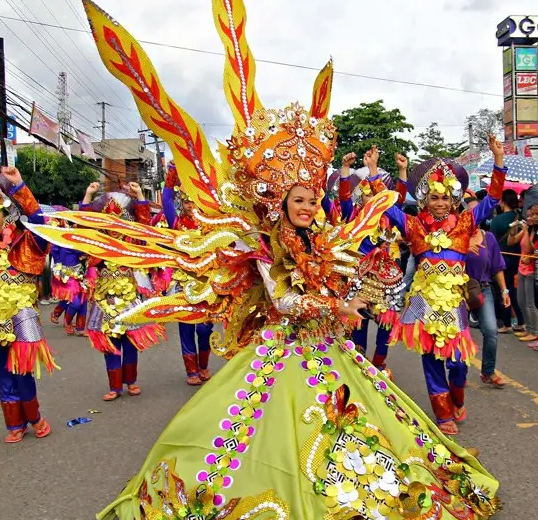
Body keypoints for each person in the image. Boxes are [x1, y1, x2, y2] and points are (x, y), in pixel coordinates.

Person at [35, 3, 500, 518]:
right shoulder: (261, 245)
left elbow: (340, 282)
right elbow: (282, 298)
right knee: (254, 443)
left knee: (371, 428)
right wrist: (335, 306)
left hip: (328, 348)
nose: (307, 207)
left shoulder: (320, 241)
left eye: (311, 200)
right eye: (298, 200)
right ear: (280, 204)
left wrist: (359, 290)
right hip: (284, 350)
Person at [385, 137, 507, 435]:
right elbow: (387, 206)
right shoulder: (413, 226)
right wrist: (396, 175)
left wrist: (498, 159)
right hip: (421, 301)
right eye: (433, 198)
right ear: (425, 200)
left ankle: (458, 396)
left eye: (445, 199)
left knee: (459, 362)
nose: (439, 204)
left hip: (454, 301)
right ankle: (442, 416)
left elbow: (491, 200)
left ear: (453, 201)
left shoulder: (466, 223)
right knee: (429, 357)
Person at [0, 166, 55, 443]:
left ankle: (34, 418)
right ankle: (14, 424)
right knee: (1, 371)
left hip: (22, 314)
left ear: (9, 213)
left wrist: (19, 186)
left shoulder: (29, 241)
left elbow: (37, 218)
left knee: (22, 370)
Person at [79, 181, 167, 401]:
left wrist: (139, 196)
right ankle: (114, 386)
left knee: (129, 340)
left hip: (128, 295)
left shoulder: (131, 241)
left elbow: (144, 224)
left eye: (118, 218)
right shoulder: (98, 242)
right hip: (104, 297)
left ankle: (131, 382)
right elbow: (83, 226)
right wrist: (88, 195)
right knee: (110, 341)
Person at [336, 150, 407, 372]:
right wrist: (345, 169)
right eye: (366, 194)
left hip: (385, 276)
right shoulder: (354, 216)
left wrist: (403, 170)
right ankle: (359, 365)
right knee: (359, 321)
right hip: (359, 274)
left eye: (375, 195)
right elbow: (344, 197)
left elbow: (399, 200)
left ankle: (379, 363)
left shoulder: (388, 218)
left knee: (386, 322)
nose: (371, 199)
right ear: (361, 197)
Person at [162, 163, 213, 386]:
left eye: (193, 200)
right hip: (183, 283)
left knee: (204, 328)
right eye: (185, 201)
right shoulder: (176, 223)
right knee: (186, 327)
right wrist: (172, 174)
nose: (189, 205)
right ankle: (191, 371)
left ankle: (203, 365)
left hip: (207, 283)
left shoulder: (211, 225)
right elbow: (165, 200)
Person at [464, 198, 508, 387]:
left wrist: (505, 290)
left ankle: (488, 372)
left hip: (484, 289)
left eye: (479, 211)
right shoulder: (456, 237)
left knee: (491, 331)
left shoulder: (488, 238)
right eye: (471, 211)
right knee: (459, 333)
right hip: (458, 290)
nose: (475, 215)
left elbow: (497, 267)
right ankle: (458, 374)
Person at [490, 189, 525, 334]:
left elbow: (491, 241)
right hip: (519, 259)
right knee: (514, 291)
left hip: (501, 259)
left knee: (503, 291)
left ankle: (506, 323)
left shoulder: (497, 220)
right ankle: (521, 321)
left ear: (502, 202)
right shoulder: (522, 217)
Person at [507, 205, 538, 344]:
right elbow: (511, 242)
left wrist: (530, 257)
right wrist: (514, 228)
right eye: (529, 215)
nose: (530, 217)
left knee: (530, 303)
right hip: (521, 269)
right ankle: (528, 328)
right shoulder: (528, 229)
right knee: (520, 301)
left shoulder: (535, 232)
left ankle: (534, 331)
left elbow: (532, 250)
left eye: (534, 215)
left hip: (532, 271)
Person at [50, 243, 88, 335]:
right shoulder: (65, 238)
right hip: (67, 275)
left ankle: (80, 328)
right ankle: (67, 321)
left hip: (81, 273)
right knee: (75, 302)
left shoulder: (79, 235)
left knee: (83, 299)